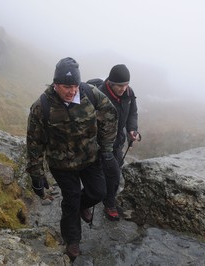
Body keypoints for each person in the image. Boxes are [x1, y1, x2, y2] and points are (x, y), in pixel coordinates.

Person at [26, 57, 118, 259]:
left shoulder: (90, 94)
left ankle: (82, 207)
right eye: (66, 86)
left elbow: (110, 115)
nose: (72, 91)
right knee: (71, 198)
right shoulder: (42, 106)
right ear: (55, 84)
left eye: (75, 86)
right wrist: (36, 174)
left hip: (90, 158)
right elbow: (34, 142)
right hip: (62, 165)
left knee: (98, 192)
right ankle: (72, 240)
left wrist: (107, 148)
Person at [96, 64, 140, 221]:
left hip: (117, 142)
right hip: (99, 144)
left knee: (114, 171)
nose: (123, 88)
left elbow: (132, 113)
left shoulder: (129, 93)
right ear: (111, 83)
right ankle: (97, 198)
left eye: (126, 84)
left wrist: (132, 130)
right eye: (120, 85)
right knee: (106, 173)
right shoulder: (99, 95)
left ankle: (109, 202)